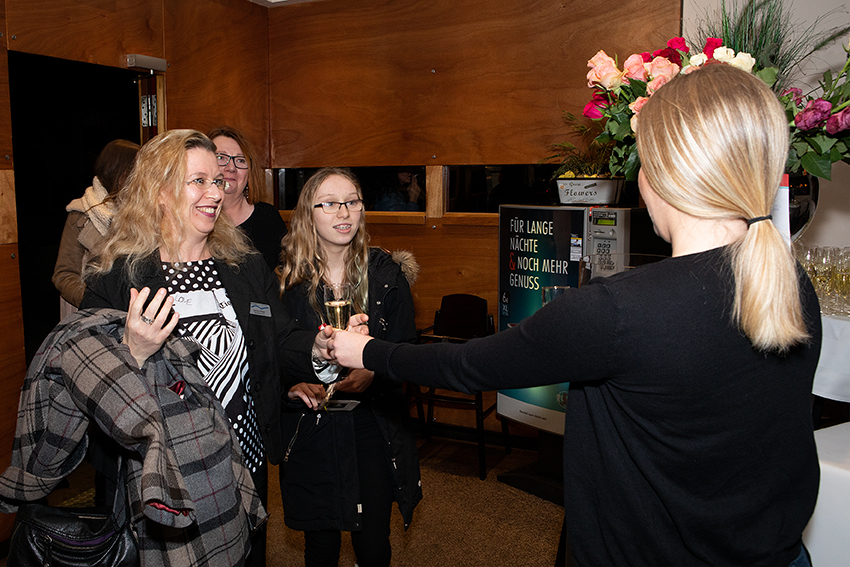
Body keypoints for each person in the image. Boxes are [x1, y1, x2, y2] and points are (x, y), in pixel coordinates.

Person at [329, 64, 822, 566]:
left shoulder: (619, 310)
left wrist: (366, 351)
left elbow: (466, 366)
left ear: (663, 175)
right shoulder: (790, 283)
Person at [79, 130, 348, 565]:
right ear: (160, 190)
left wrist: (321, 347)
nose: (216, 192)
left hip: (243, 463)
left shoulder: (244, 266)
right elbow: (82, 376)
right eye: (199, 181)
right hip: (165, 473)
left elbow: (279, 339)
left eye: (218, 181)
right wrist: (133, 352)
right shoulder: (118, 275)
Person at [277, 167, 422, 567]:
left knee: (373, 543)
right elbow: (272, 357)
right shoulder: (286, 282)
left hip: (372, 424)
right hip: (312, 426)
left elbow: (408, 351)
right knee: (321, 545)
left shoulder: (386, 274)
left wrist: (375, 369)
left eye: (352, 202)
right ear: (308, 214)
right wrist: (292, 388)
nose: (343, 212)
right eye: (329, 204)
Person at [52, 139, 140, 316]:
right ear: (117, 173)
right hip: (90, 314)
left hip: (132, 311)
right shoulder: (81, 214)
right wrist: (94, 301)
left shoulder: (144, 212)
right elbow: (64, 274)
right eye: (134, 172)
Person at [207, 126, 287, 270]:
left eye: (240, 160)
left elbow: (287, 275)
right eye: (221, 157)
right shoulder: (196, 219)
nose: (231, 168)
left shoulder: (269, 218)